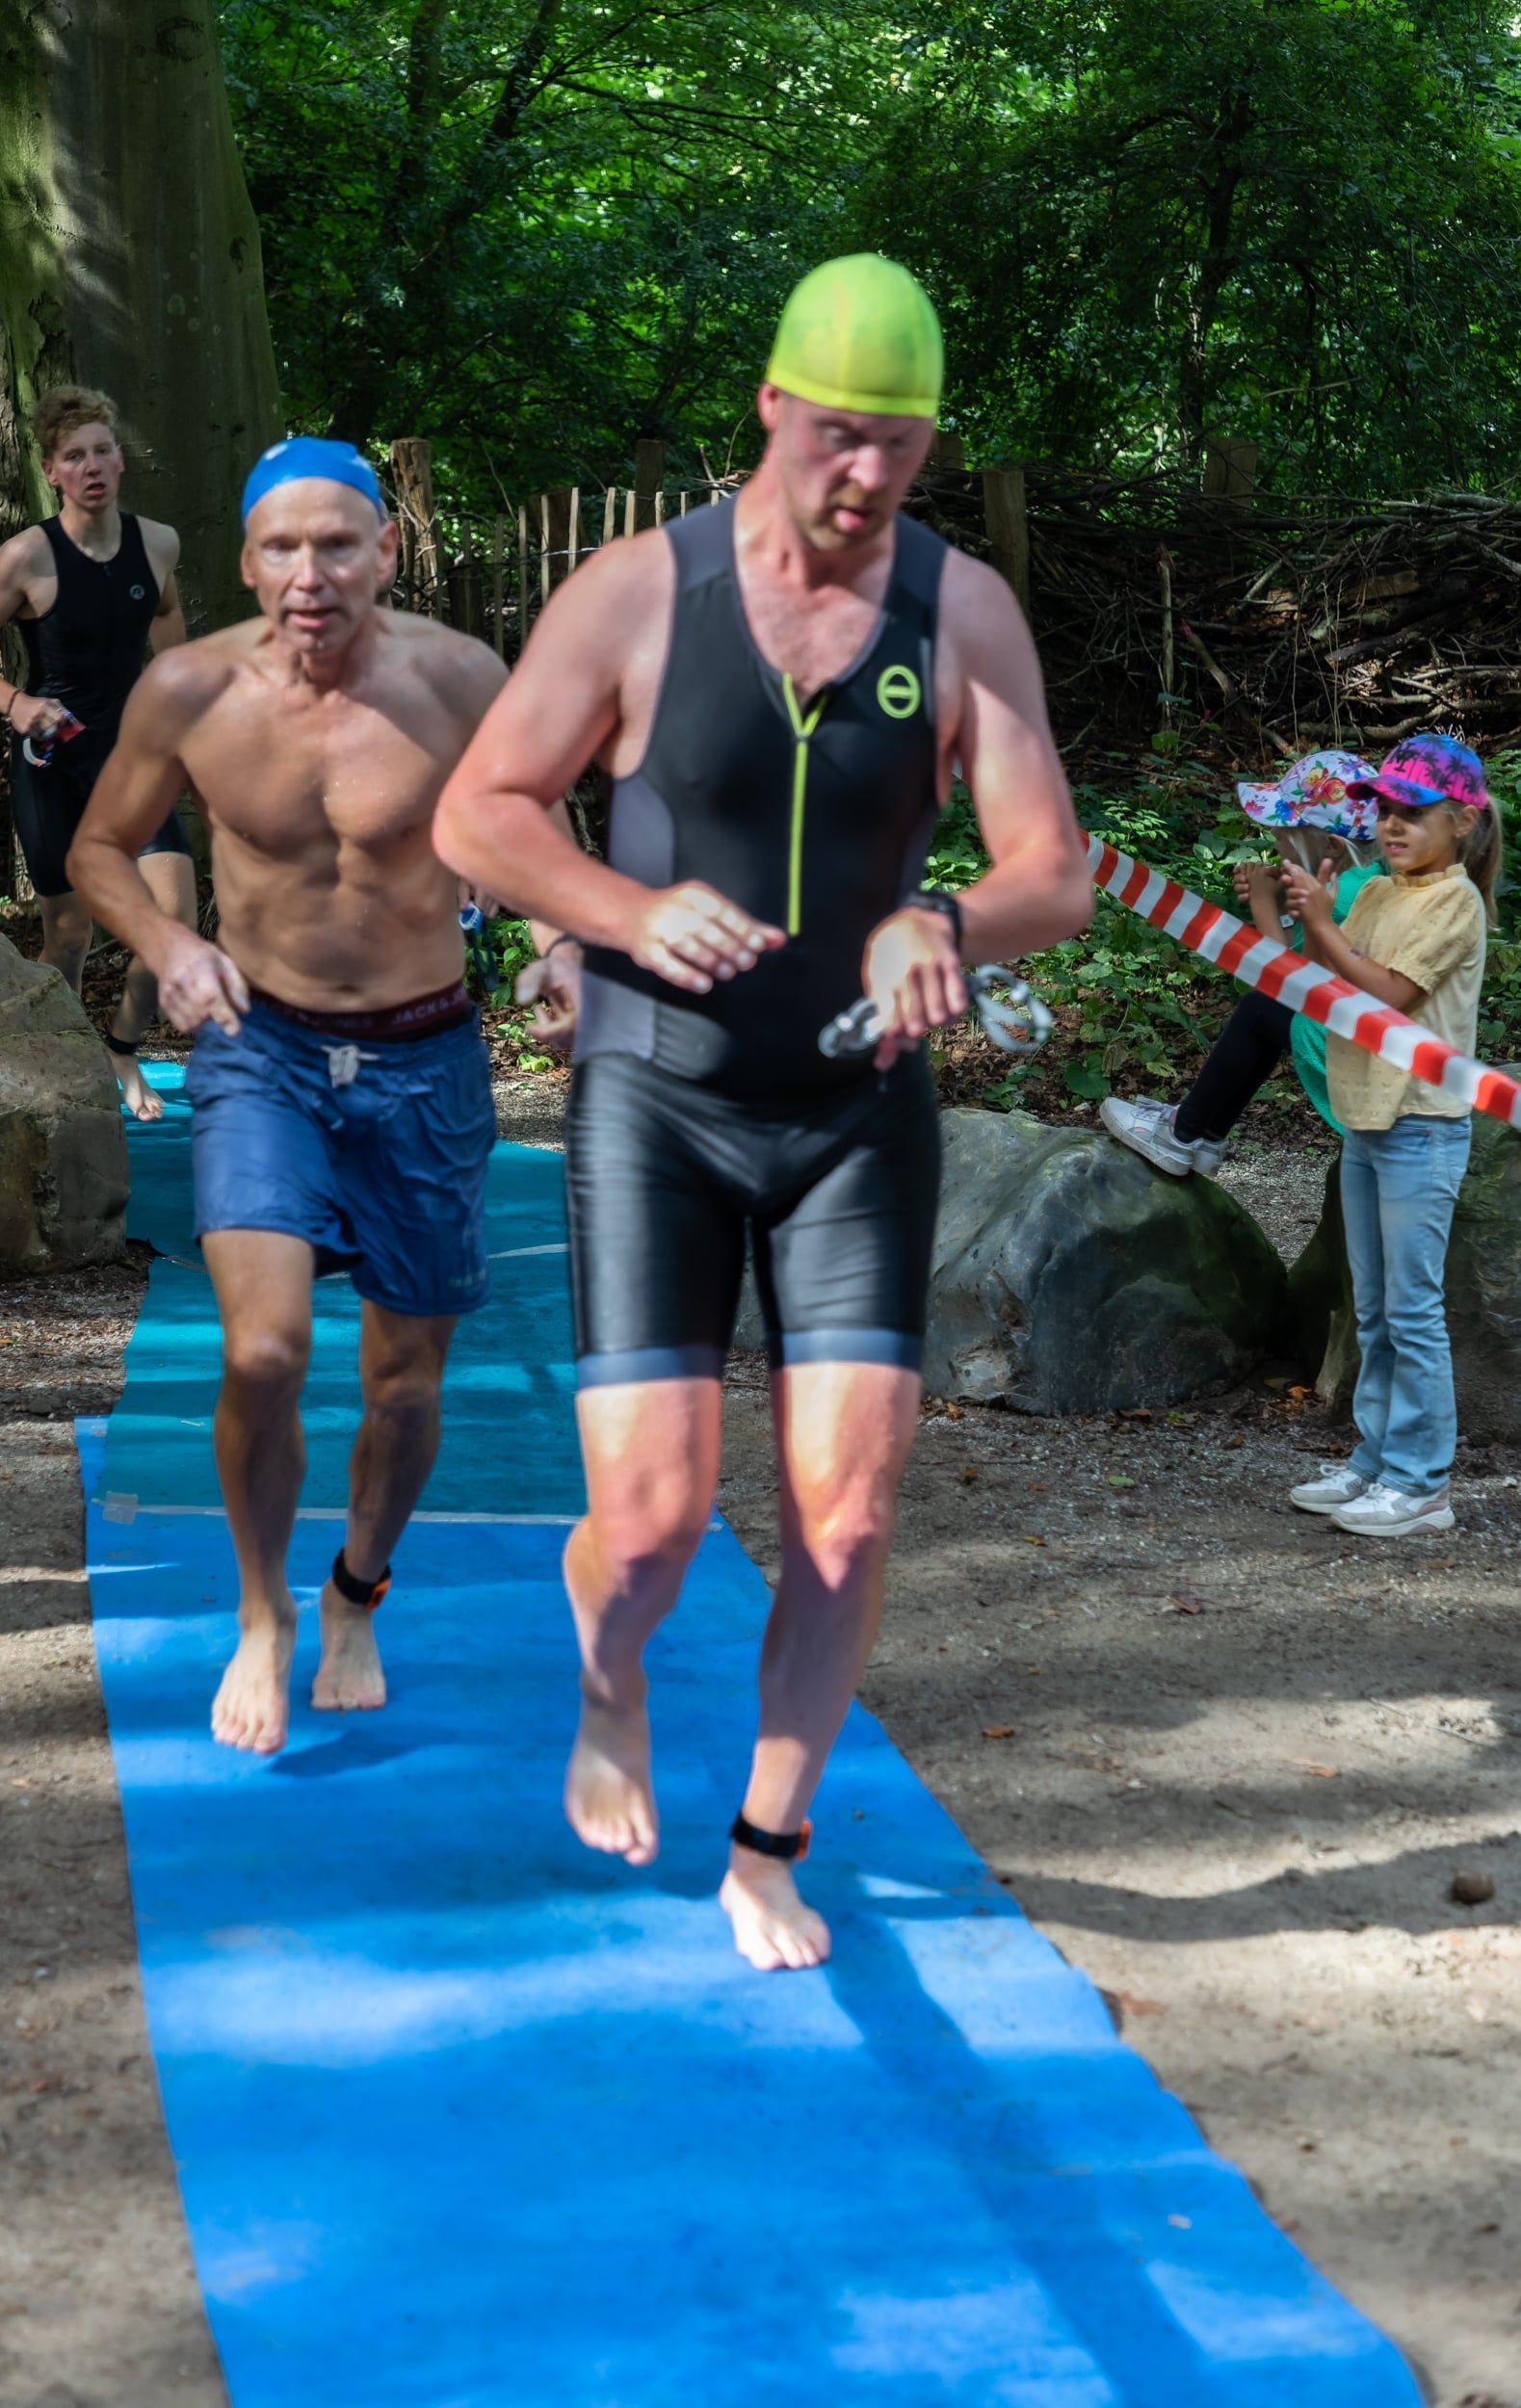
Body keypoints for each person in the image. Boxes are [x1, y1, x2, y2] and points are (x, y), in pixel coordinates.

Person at [433, 254, 1091, 1970]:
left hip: (855, 1114)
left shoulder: (959, 611)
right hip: (657, 1103)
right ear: (771, 407)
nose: (866, 479)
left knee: (850, 1511)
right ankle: (606, 1664)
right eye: (839, 440)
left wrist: (945, 918)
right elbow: (480, 812)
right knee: (650, 1531)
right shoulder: (638, 594)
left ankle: (767, 1841)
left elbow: (1055, 870)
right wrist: (621, 913)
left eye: (903, 449)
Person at [68, 436, 508, 1752]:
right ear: (246, 559)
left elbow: (537, 833)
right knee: (262, 1352)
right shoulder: (188, 687)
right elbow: (97, 846)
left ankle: (355, 1590)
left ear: (385, 548)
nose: (308, 574)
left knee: (405, 1391)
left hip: (425, 1056)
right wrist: (169, 944)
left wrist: (559, 946)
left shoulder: (462, 679)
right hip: (259, 1050)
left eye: (336, 545)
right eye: (280, 548)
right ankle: (262, 1613)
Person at [0, 385, 197, 1120]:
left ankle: (118, 1050)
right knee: (71, 938)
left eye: (103, 451)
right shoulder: (28, 556)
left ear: (120, 459)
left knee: (173, 924)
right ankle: (58, 1080)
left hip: (132, 760)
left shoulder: (159, 542)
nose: (92, 466)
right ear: (52, 470)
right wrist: (15, 703)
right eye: (74, 456)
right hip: (55, 764)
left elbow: (166, 610)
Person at [1282, 735, 1499, 1537]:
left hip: (1422, 1124)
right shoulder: (1373, 891)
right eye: (1383, 809)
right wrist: (1286, 907)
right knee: (1369, 1306)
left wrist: (1319, 919)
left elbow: (1387, 994)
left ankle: (1422, 1484)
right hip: (1364, 1117)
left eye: (1413, 812)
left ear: (1462, 822)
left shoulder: (1452, 902)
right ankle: (1374, 1461)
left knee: (1411, 1309)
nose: (1392, 824)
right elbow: (1322, 970)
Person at [1101, 752, 1383, 1175]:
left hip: (1358, 1057)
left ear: (1330, 846)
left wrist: (1265, 902)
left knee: (1261, 1008)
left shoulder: (1342, 897)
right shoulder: (1361, 881)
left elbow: (1284, 980)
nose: (1274, 840)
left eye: (1285, 833)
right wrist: (1276, 898)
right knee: (1265, 1016)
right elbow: (1302, 961)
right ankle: (1206, 1135)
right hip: (1360, 1037)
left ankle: (1181, 1134)